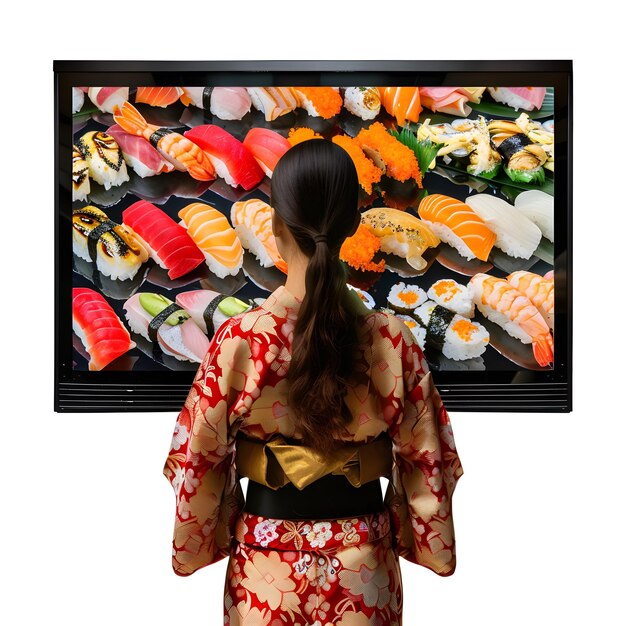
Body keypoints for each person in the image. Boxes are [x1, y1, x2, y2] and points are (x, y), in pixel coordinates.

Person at [162, 139, 464, 625]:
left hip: (264, 570)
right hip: (363, 565)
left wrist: (193, 545)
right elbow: (429, 457)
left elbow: (198, 459)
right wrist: (428, 541)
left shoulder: (240, 339)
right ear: (352, 224)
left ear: (277, 227)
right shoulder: (391, 339)